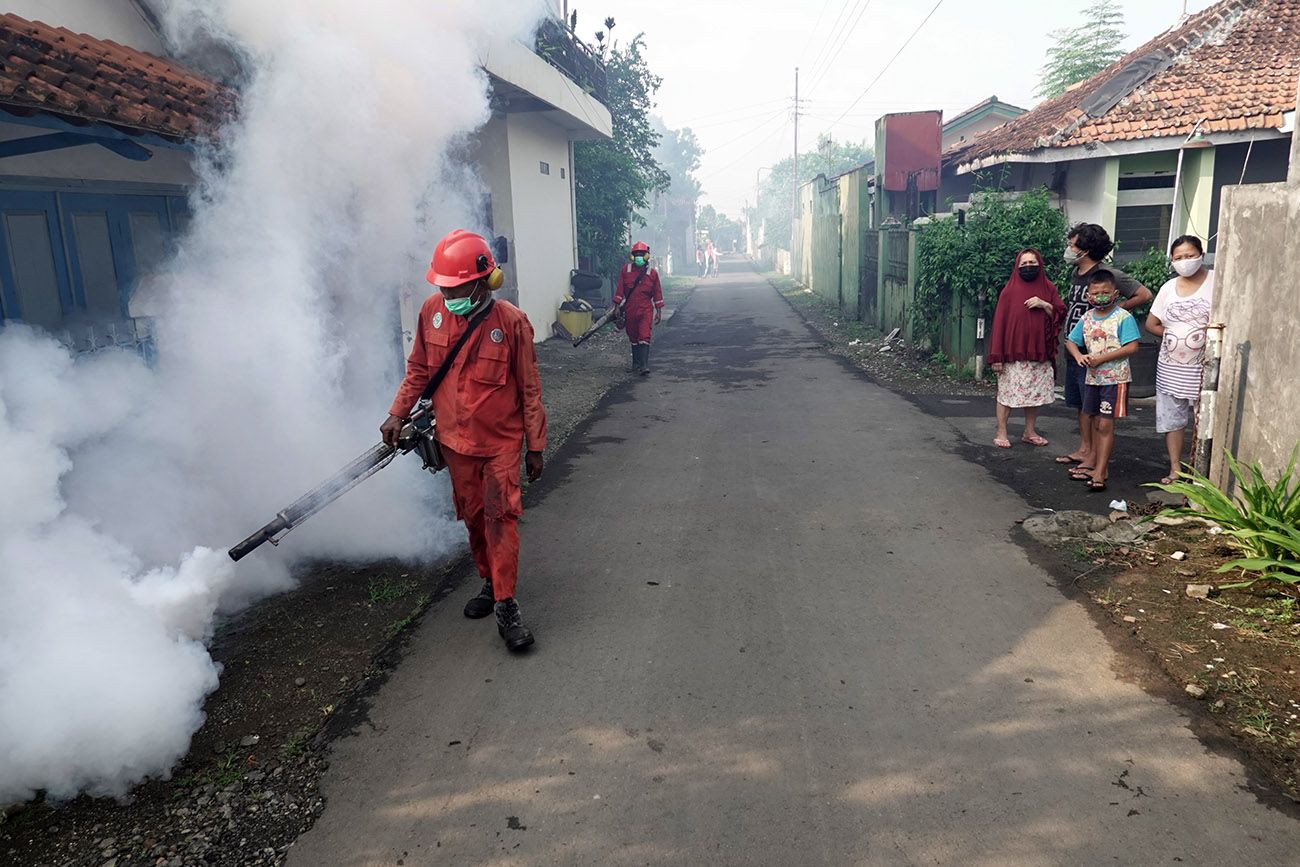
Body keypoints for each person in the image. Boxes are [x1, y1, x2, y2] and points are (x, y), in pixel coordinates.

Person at [380, 229, 546, 652]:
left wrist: (536, 445)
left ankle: (507, 607)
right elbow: (419, 368)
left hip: (501, 446)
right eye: (441, 285)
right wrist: (397, 412)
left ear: (483, 282)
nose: (446, 292)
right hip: (454, 445)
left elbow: (529, 388)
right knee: (473, 518)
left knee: (499, 518)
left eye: (455, 286)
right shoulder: (432, 312)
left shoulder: (511, 322)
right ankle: (490, 583)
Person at [1056, 223, 1152, 473]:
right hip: (1075, 348)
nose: (1069, 249)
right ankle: (1085, 449)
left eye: (1073, 245)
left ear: (1085, 250)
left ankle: (1095, 459)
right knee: (1081, 404)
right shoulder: (1076, 274)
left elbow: (1144, 294)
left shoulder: (1107, 275)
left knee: (1097, 409)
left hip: (1099, 354)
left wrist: (1115, 314)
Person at [1145, 235, 1214, 485]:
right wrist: (1175, 334)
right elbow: (1151, 324)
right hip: (1170, 367)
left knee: (1204, 418)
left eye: (1190, 255)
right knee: (1172, 420)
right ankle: (1175, 468)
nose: (1184, 261)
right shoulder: (1168, 288)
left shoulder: (1216, 281)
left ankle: (1200, 469)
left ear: (1201, 255)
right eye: (1178, 257)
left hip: (1205, 367)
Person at [1066, 269, 1141, 492]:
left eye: (1105, 292)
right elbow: (1071, 341)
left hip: (1115, 380)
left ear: (1115, 293)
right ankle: (1099, 466)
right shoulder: (1087, 318)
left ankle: (1100, 471)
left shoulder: (1123, 317)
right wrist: (1079, 356)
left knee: (1106, 424)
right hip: (1093, 380)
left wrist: (1101, 358)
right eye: (1095, 292)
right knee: (1096, 422)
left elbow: (1132, 347)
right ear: (1088, 295)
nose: (1100, 296)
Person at [987, 249, 1066, 449]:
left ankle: (1029, 432)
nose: (1028, 266)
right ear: (1017, 266)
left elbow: (1059, 313)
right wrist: (997, 356)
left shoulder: (1048, 288)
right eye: (1023, 263)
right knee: (1006, 395)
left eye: (1032, 262)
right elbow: (999, 325)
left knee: (1034, 395)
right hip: (1012, 354)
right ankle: (1001, 432)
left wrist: (1044, 304)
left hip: (1040, 353)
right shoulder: (1009, 291)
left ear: (1039, 263)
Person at [609, 240, 664, 375]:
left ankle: (644, 365)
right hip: (630, 308)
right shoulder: (626, 270)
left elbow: (657, 293)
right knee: (633, 335)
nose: (639, 256)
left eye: (642, 254)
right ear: (633, 256)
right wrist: (616, 307)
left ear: (646, 256)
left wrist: (658, 311)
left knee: (644, 334)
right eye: (636, 254)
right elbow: (620, 289)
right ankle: (636, 364)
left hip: (645, 308)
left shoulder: (652, 273)